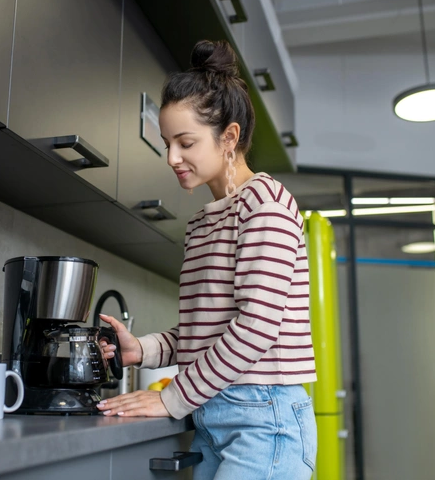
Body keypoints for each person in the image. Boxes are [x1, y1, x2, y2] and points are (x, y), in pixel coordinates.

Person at [96, 40, 317, 479]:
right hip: (213, 414)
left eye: (185, 142)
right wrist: (144, 349)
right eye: (167, 143)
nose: (172, 157)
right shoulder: (202, 222)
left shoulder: (265, 205)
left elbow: (255, 328)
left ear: (229, 137)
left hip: (263, 419)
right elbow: (206, 330)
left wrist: (171, 397)